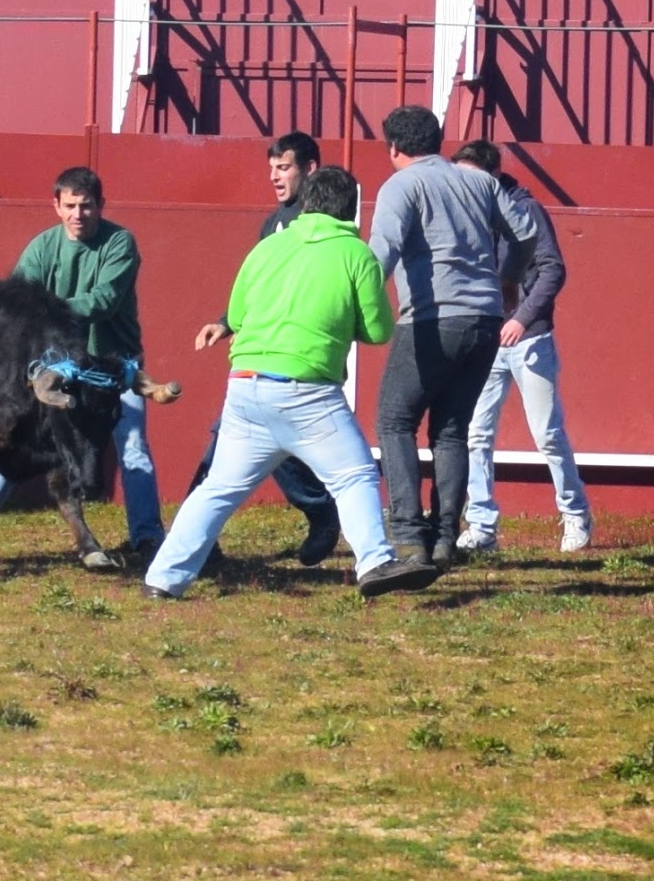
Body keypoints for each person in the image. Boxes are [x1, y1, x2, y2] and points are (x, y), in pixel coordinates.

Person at [144, 167, 440, 600]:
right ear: (352, 210)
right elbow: (378, 331)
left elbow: (238, 317)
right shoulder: (356, 254)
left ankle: (162, 579)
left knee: (218, 490)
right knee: (354, 475)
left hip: (245, 385)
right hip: (308, 392)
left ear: (306, 203)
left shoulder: (267, 247)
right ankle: (375, 562)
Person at [0, 166, 164, 560]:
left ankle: (147, 537)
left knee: (132, 448)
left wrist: (43, 309)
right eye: (70, 206)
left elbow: (102, 301)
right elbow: (15, 301)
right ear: (57, 206)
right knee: (14, 445)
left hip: (112, 367)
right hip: (57, 369)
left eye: (86, 205)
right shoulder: (43, 247)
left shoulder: (120, 243)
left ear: (101, 205)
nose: (78, 214)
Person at [368, 106, 538, 567]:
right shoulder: (479, 182)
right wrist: (509, 280)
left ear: (393, 148)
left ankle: (409, 537)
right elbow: (526, 234)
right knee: (450, 430)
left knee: (395, 422)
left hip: (431, 319)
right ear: (438, 143)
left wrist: (353, 309)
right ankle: (445, 536)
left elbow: (381, 253)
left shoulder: (401, 185)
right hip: (484, 321)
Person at [189, 132, 342, 566]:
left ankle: (322, 511)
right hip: (259, 360)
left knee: (284, 449)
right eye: (272, 168)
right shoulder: (273, 222)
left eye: (284, 167)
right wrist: (226, 322)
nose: (275, 177)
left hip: (301, 362)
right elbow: (257, 284)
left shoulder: (325, 222)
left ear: (310, 169)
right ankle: (199, 545)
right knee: (228, 448)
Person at [451, 140, 592, 553]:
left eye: (471, 177)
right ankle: (481, 526)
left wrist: (521, 318)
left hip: (528, 338)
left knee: (547, 433)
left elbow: (552, 269)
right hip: (485, 339)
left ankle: (576, 514)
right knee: (476, 433)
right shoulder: (465, 214)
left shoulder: (525, 210)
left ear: (493, 176)